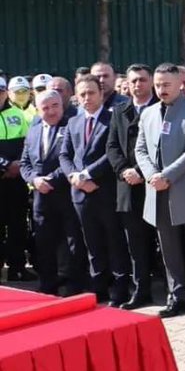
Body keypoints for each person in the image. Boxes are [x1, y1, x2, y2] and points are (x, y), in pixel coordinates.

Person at [136, 64, 185, 319]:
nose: (162, 90)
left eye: (166, 85)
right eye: (158, 85)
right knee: (168, 249)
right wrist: (151, 175)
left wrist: (166, 176)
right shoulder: (148, 114)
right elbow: (140, 150)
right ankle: (177, 296)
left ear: (180, 84)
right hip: (156, 192)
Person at [60, 75, 130, 306]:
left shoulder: (113, 120)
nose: (87, 98)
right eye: (82, 94)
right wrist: (74, 176)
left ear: (101, 94)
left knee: (114, 241)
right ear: (76, 98)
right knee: (92, 243)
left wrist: (87, 174)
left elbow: (113, 154)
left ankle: (120, 290)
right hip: (80, 193)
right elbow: (65, 154)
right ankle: (98, 287)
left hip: (105, 191)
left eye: (91, 93)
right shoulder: (73, 122)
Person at [20, 89, 88, 294]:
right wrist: (34, 179)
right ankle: (47, 284)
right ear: (38, 109)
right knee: (44, 242)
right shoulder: (34, 129)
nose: (50, 111)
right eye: (45, 107)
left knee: (73, 242)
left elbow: (73, 159)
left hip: (67, 194)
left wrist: (51, 179)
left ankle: (76, 285)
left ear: (62, 105)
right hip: (41, 197)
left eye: (55, 106)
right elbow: (25, 162)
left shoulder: (72, 126)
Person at [104, 64, 158, 309]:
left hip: (155, 183)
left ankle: (175, 290)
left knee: (163, 241)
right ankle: (141, 291)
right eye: (134, 80)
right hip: (127, 186)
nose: (138, 85)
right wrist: (124, 171)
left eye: (143, 80)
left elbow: (162, 147)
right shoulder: (120, 110)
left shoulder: (162, 108)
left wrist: (140, 170)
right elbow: (112, 146)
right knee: (135, 243)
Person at [0, 76, 32, 281]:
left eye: (1, 91)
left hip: (16, 181)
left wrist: (18, 165)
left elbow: (28, 144)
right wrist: (4, 165)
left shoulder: (18, 115)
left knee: (17, 224)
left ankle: (17, 267)